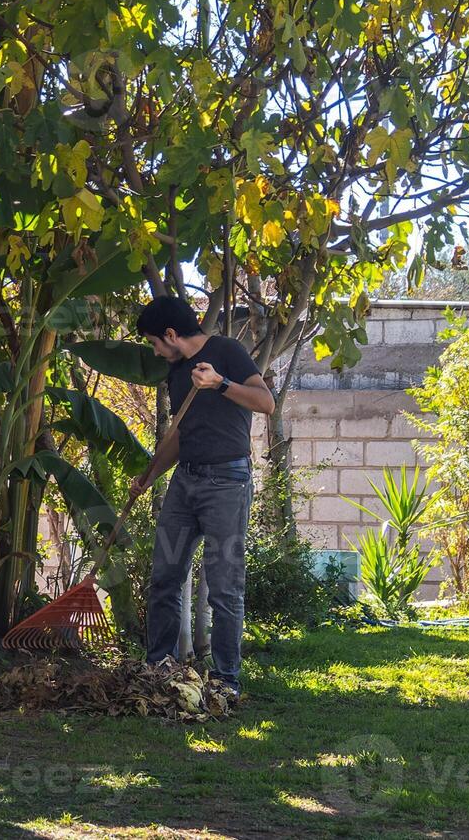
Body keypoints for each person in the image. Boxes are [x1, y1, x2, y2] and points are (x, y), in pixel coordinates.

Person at [125, 296, 274, 698]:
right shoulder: (177, 372)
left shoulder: (227, 351)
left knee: (224, 589)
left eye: (156, 342)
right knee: (165, 577)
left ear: (171, 334)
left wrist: (221, 384)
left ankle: (227, 681)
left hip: (227, 482)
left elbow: (266, 403)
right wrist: (150, 475)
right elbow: (180, 434)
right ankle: (157, 669)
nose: (155, 351)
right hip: (185, 482)